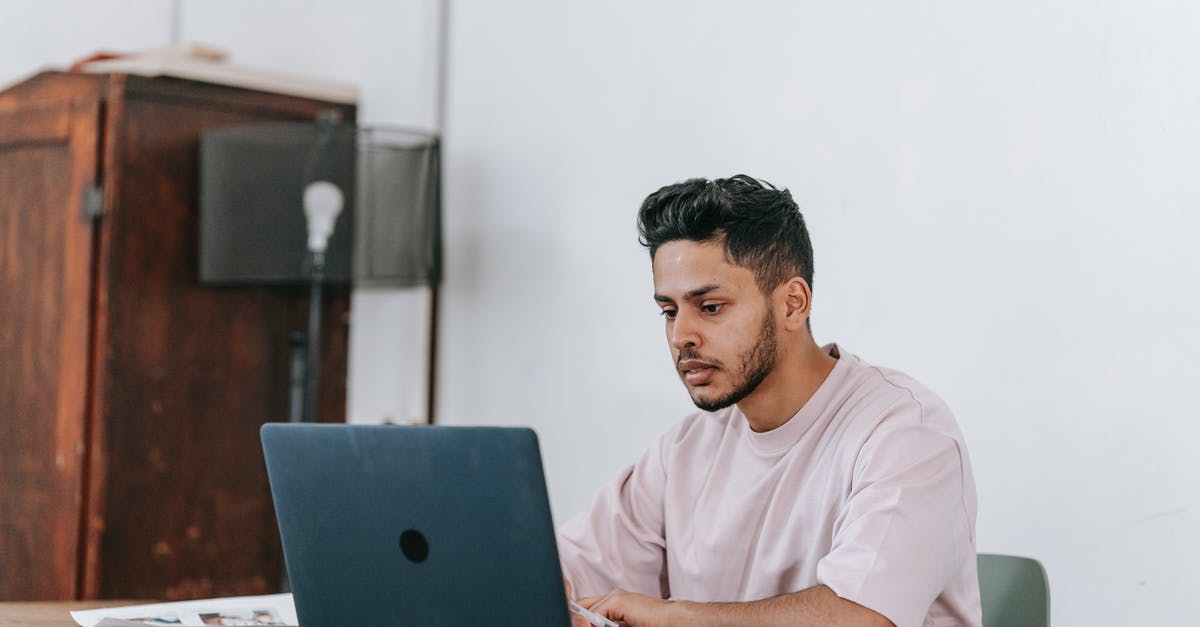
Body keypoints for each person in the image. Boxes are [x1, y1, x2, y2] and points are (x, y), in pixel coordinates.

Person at [558, 175, 982, 627]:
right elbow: (560, 571)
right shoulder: (683, 453)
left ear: (793, 304)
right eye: (669, 311)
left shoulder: (907, 433)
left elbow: (862, 618)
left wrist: (673, 618)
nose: (681, 336)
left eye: (711, 307)